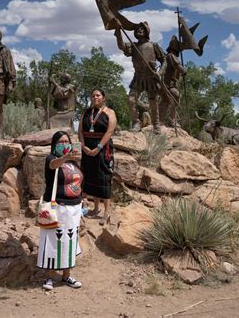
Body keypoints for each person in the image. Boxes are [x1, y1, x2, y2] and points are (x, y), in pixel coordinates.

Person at [37, 131, 83, 291]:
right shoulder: (51, 159)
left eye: (67, 141)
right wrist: (65, 157)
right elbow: (54, 165)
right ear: (54, 144)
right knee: (52, 241)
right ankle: (49, 277)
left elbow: (78, 181)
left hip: (74, 208)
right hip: (58, 208)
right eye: (61, 142)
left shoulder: (74, 162)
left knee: (69, 241)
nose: (64, 144)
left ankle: (66, 276)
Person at [114, 21, 165, 133]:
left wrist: (160, 73)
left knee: (153, 102)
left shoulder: (153, 45)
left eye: (142, 29)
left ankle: (156, 125)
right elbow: (121, 46)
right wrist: (118, 30)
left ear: (146, 31)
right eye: (137, 29)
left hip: (151, 77)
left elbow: (164, 60)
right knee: (131, 100)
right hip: (138, 77)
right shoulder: (134, 46)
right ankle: (136, 122)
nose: (139, 30)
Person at [78, 88, 117, 225]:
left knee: (104, 177)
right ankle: (95, 208)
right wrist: (84, 146)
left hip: (103, 148)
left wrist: (98, 147)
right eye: (93, 95)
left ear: (103, 98)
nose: (95, 97)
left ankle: (106, 212)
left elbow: (110, 131)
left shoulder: (109, 113)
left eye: (98, 95)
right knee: (91, 176)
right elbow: (80, 131)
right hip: (87, 148)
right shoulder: (87, 112)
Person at [158, 36, 186, 128]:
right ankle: (171, 120)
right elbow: (178, 66)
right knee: (175, 96)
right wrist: (183, 70)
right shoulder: (171, 55)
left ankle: (159, 120)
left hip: (168, 83)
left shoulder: (169, 56)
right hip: (167, 84)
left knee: (165, 101)